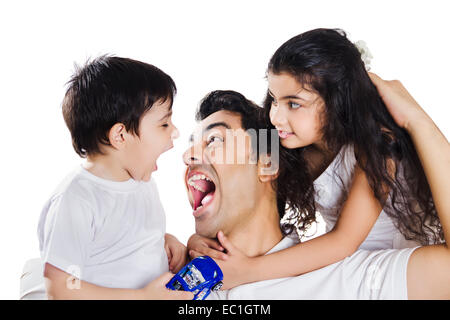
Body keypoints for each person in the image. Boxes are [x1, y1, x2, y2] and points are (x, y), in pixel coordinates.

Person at [188, 28, 444, 289]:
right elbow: (248, 198)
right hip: (348, 267)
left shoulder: (377, 145)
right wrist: (201, 241)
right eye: (274, 99)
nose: (275, 116)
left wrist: (247, 271)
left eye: (294, 104)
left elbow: (344, 240)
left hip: (402, 264)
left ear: (337, 102)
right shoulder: (293, 146)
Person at [37, 55, 193, 299]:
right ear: (120, 136)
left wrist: (164, 241)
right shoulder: (77, 200)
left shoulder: (140, 183)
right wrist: (143, 297)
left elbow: (119, 240)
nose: (175, 132)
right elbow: (61, 288)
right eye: (164, 124)